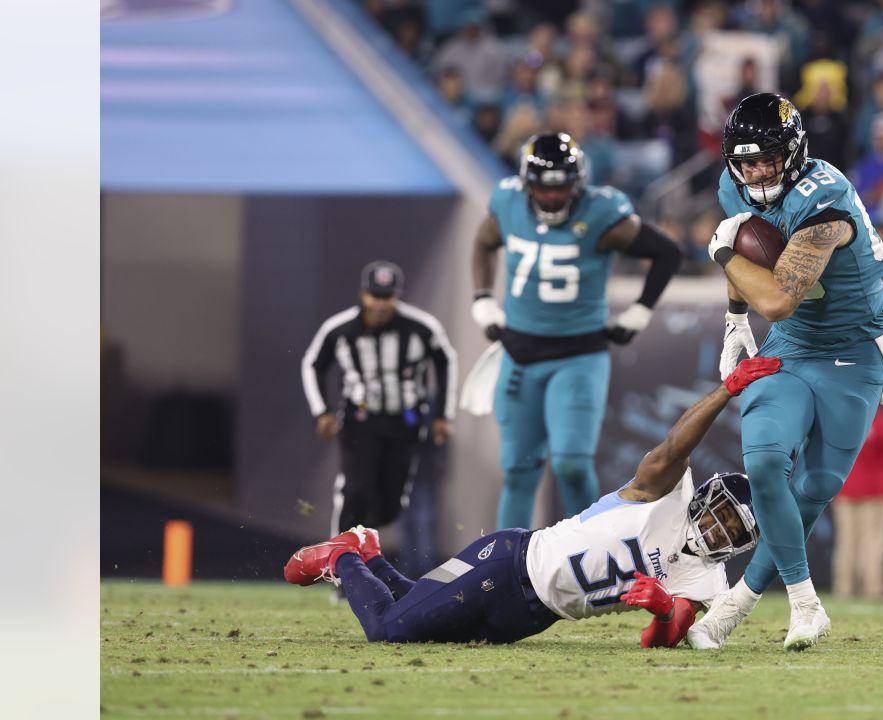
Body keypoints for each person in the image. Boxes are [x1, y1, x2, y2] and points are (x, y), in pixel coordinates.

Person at [283, 357, 782, 647]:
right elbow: (675, 446)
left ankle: (369, 555)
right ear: (705, 500)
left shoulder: (710, 580)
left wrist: (663, 611)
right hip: (508, 564)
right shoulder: (666, 493)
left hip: (534, 617)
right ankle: (346, 552)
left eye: (733, 534)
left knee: (417, 613)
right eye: (721, 518)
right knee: (389, 631)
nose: (720, 533)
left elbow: (663, 641)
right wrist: (726, 390)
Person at [692, 93, 883, 651]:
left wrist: (722, 255)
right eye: (746, 161)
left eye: (768, 160)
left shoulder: (823, 200)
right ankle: (806, 605)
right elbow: (750, 254)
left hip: (853, 350)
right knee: (763, 462)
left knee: (815, 489)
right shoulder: (733, 187)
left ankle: (736, 603)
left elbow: (778, 296)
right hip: (791, 345)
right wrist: (735, 317)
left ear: (796, 153)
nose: (755, 173)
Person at [471, 132, 682, 531]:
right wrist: (481, 297)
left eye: (562, 189)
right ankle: (503, 575)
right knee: (518, 471)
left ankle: (588, 562)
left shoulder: (602, 212)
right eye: (542, 189)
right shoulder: (507, 202)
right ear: (525, 184)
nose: (552, 198)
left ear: (578, 183)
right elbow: (483, 242)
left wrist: (640, 311)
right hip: (519, 353)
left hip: (578, 355)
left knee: (570, 463)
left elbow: (666, 253)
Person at [301, 261, 457, 545]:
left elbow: (446, 360)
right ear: (363, 294)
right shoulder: (340, 328)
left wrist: (443, 415)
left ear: (397, 296)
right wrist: (321, 412)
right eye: (376, 296)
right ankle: (342, 568)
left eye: (387, 297)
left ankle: (359, 542)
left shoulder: (420, 327)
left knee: (389, 507)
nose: (381, 304)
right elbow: (313, 364)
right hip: (360, 422)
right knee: (356, 491)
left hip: (405, 423)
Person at [830, 407, 883, 600]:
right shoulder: (881, 420)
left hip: (846, 487)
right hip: (878, 490)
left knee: (846, 541)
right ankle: (873, 587)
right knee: (875, 541)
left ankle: (843, 588)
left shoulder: (843, 420)